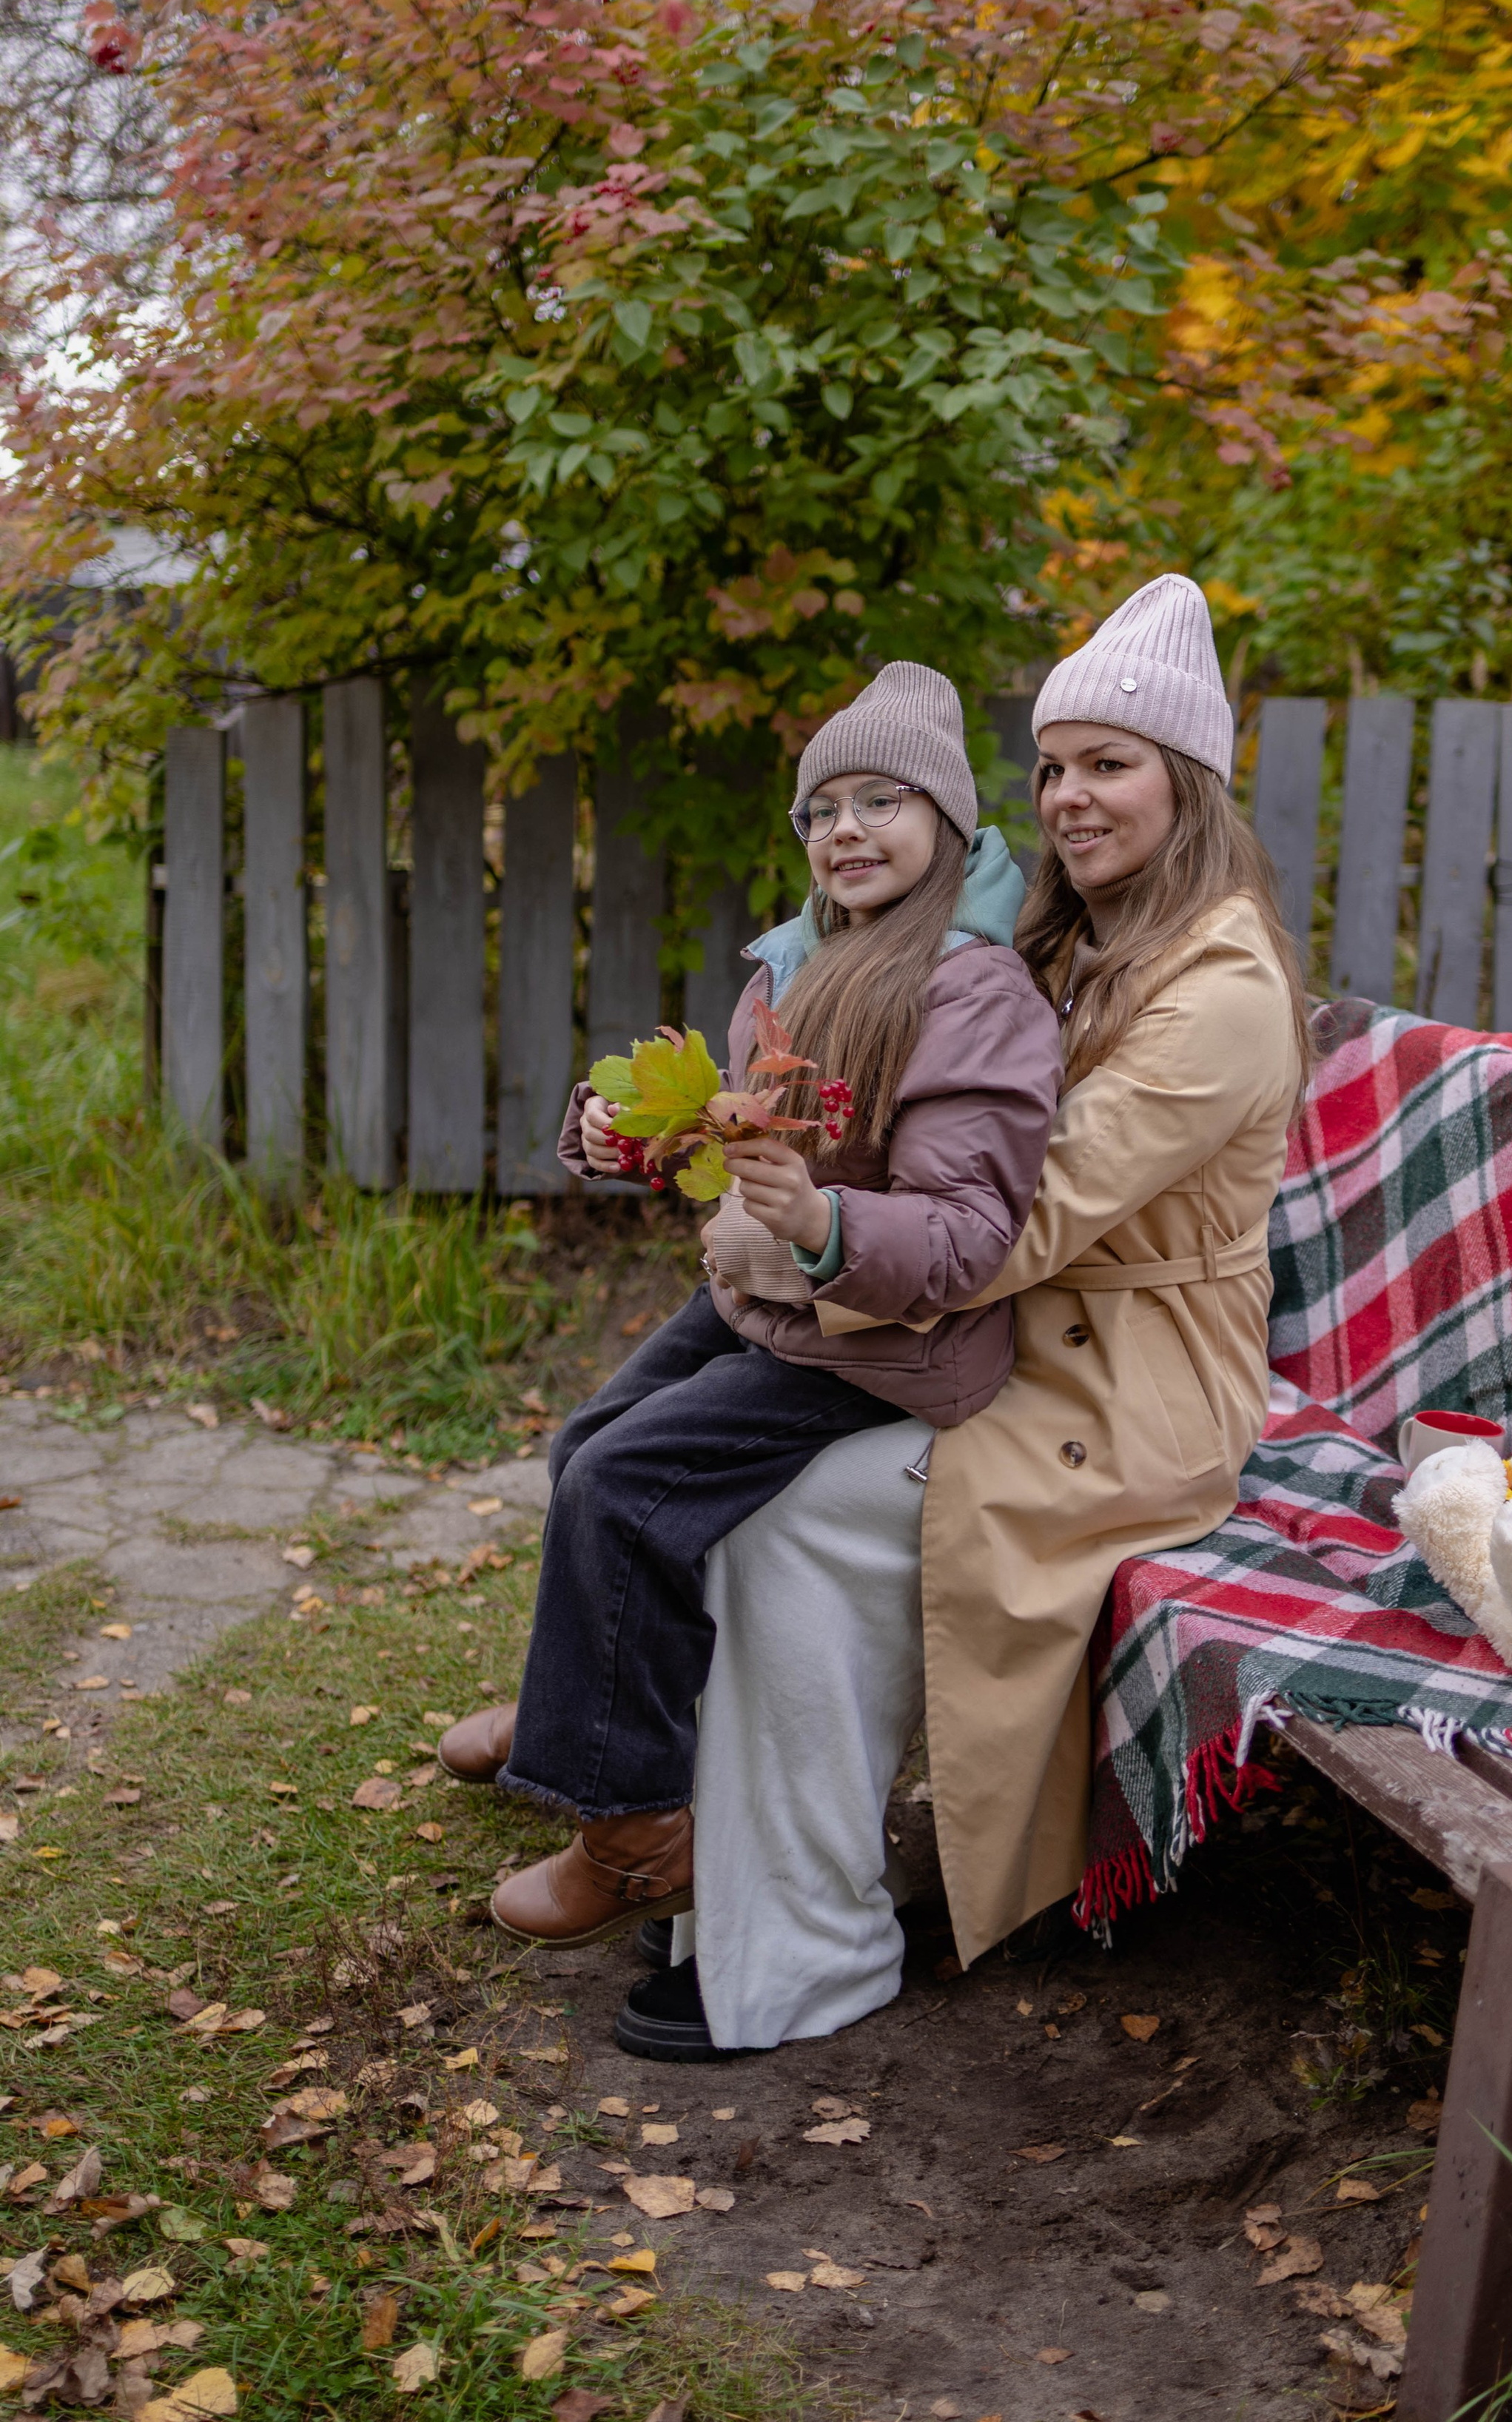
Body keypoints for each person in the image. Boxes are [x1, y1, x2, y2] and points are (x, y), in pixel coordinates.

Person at [616, 570, 1310, 2059]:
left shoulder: (1219, 986)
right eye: (1051, 767)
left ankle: (799, 1944)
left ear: (1186, 786)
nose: (1067, 797)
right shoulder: (1072, 938)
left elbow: (1016, 1220)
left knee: (791, 1512)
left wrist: (785, 1236)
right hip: (998, 1337)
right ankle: (706, 1873)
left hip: (1126, 1386)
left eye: (1107, 766)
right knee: (691, 1460)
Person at [434, 662, 1063, 1955]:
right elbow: (741, 1141)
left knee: (626, 1489)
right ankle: (580, 1717)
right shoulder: (797, 963)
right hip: (777, 1300)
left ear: (946, 823)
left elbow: (966, 1234)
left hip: (885, 1341)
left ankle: (636, 1833)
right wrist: (640, 1140)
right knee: (582, 1450)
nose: (846, 829)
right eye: (822, 807)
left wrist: (824, 1223)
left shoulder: (972, 993)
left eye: (881, 800)